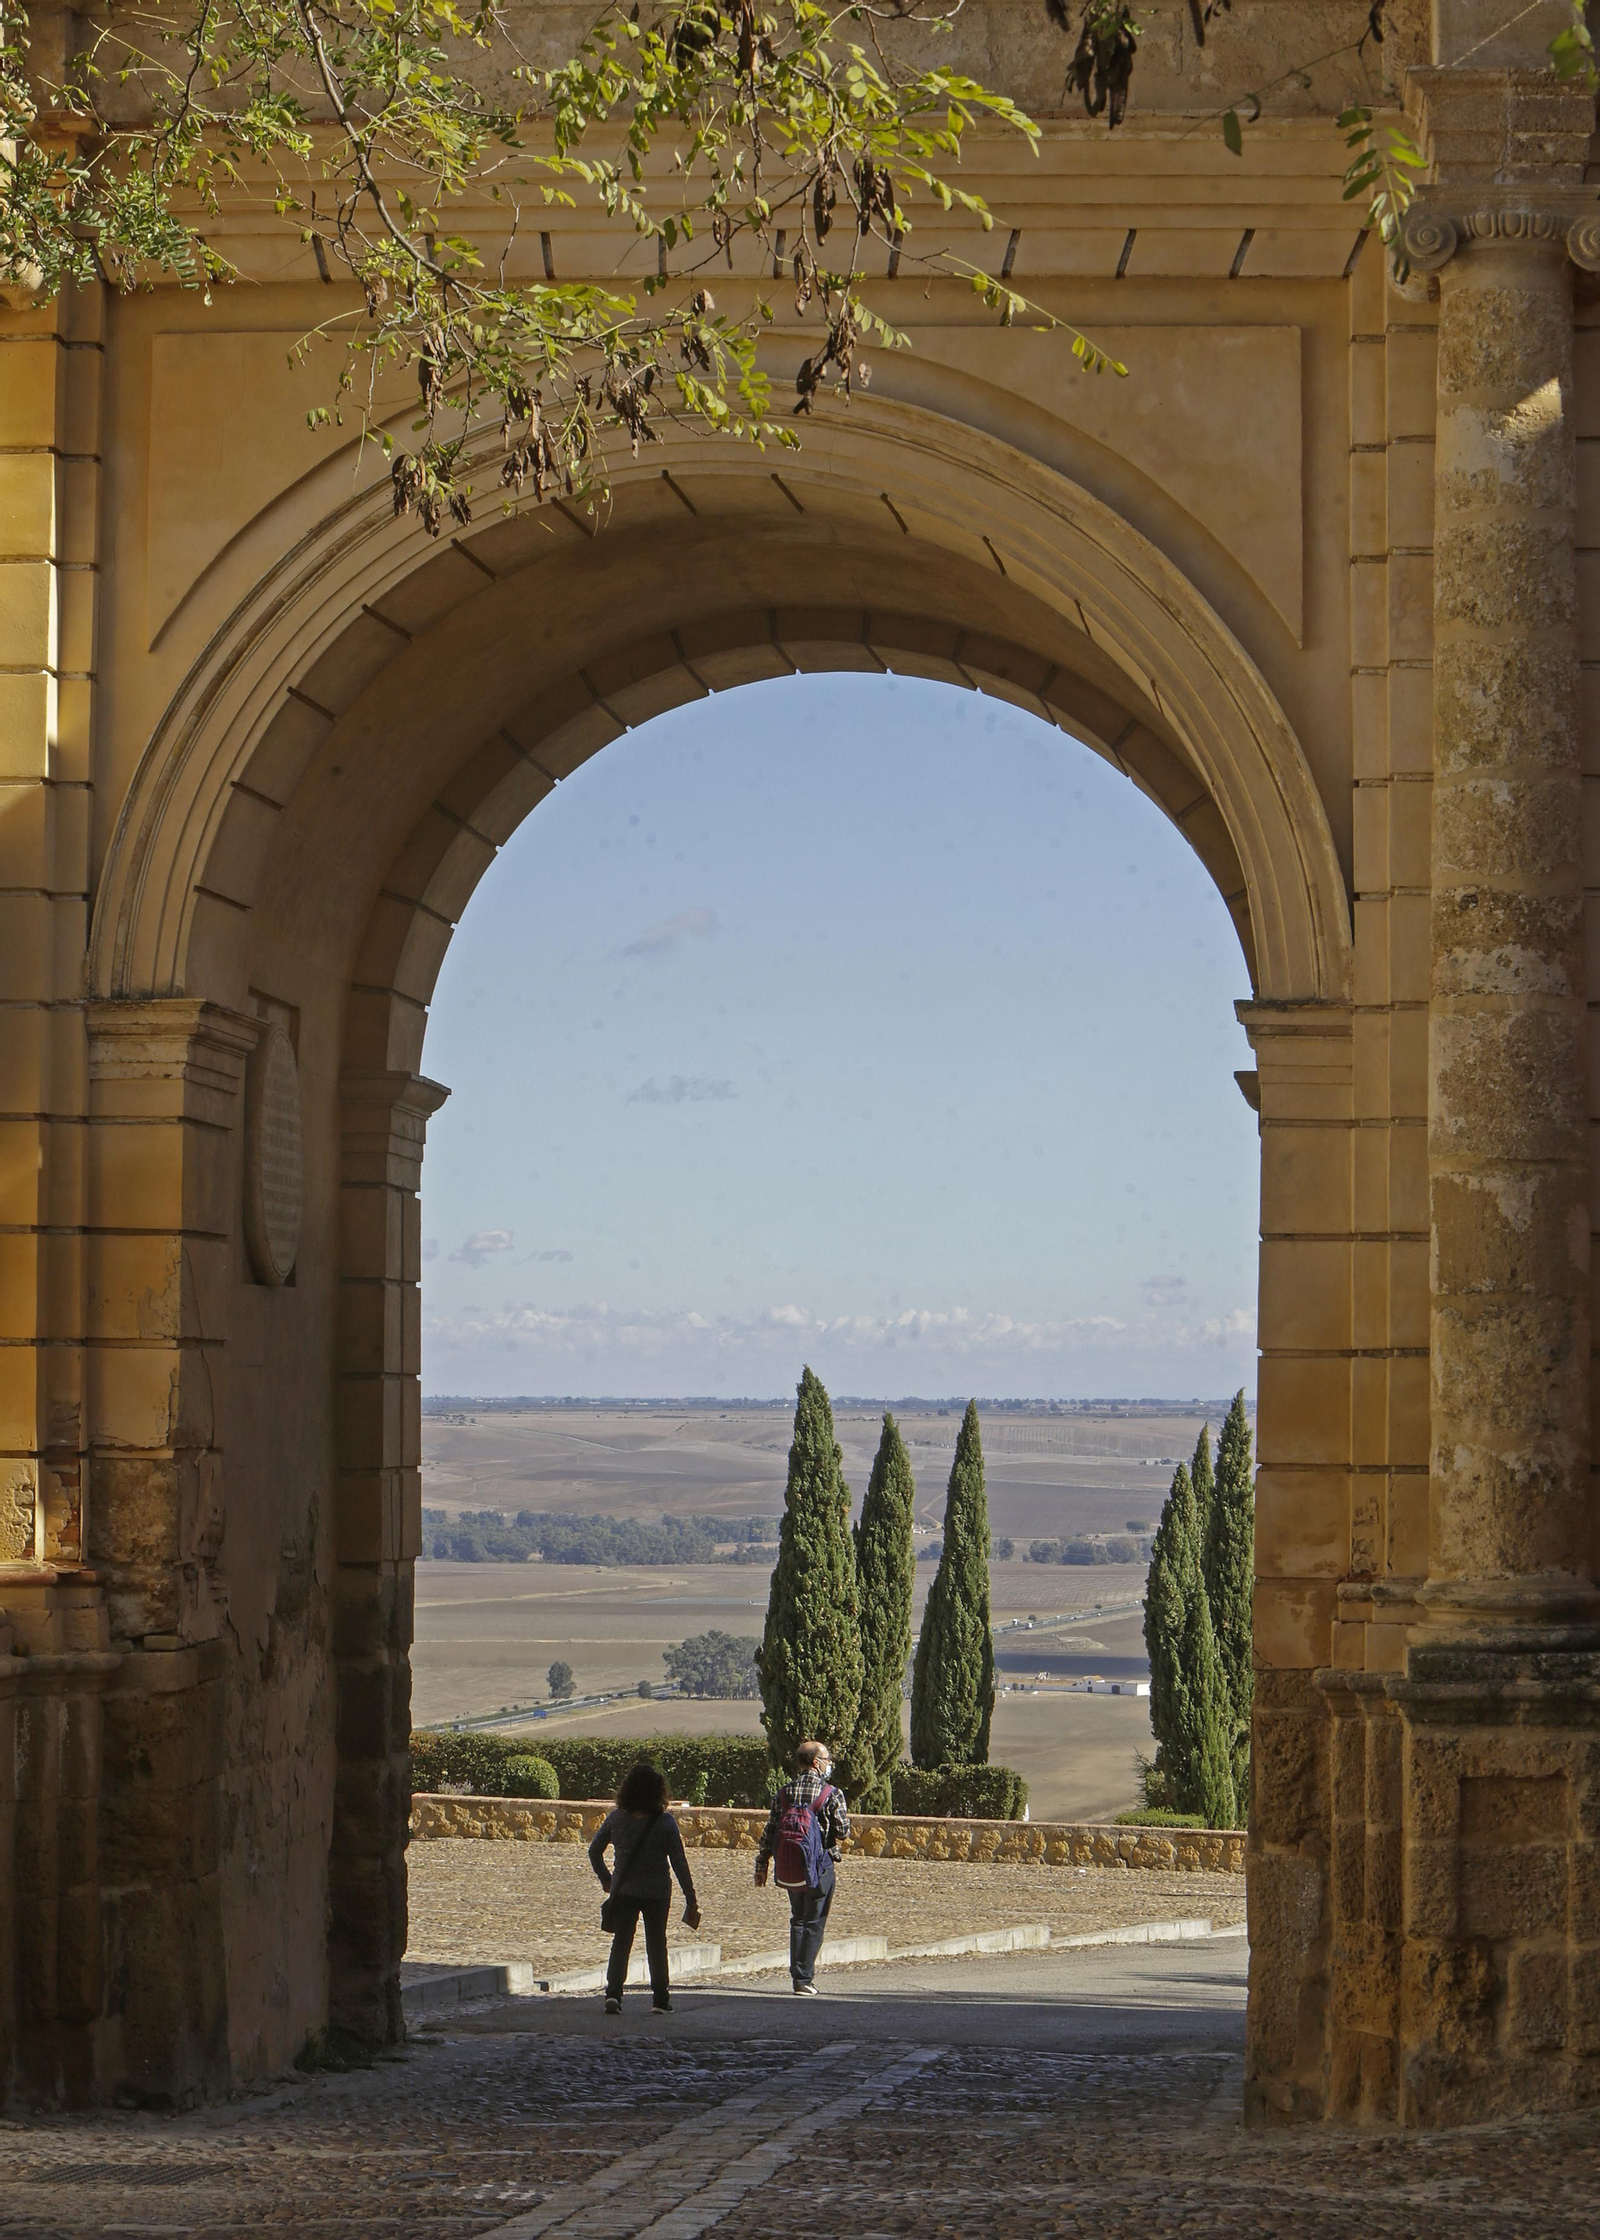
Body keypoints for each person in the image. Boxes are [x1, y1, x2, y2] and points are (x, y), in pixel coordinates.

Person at [588, 1762, 701, 2014]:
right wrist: (690, 1897)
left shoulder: (616, 1818)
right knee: (656, 1943)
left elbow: (594, 1850)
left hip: (625, 1890)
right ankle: (660, 1999)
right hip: (657, 1892)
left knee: (621, 1941)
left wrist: (607, 1880)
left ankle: (613, 1994)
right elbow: (679, 1862)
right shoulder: (665, 1823)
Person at [754, 1740, 850, 1995]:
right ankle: (804, 1979)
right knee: (814, 1921)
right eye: (827, 1759)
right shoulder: (831, 1793)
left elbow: (770, 1831)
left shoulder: (784, 1793)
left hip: (791, 1866)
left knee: (797, 1918)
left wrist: (761, 1865)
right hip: (821, 1866)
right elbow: (843, 1830)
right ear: (816, 1763)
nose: (830, 1764)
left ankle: (798, 1977)